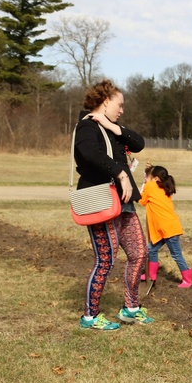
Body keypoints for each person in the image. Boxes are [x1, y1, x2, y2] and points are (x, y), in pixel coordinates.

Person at [73, 79, 152, 331]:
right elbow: (90, 154)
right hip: (100, 201)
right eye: (119, 105)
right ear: (106, 101)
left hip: (124, 204)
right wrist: (120, 173)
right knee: (105, 260)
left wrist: (113, 127)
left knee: (139, 253)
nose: (122, 110)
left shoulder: (110, 127)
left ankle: (130, 309)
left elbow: (138, 143)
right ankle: (90, 316)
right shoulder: (86, 128)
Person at [139, 164, 192, 288]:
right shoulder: (163, 187)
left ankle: (188, 280)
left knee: (176, 254)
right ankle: (151, 275)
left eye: (148, 176)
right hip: (165, 227)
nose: (146, 178)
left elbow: (142, 201)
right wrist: (149, 172)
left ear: (156, 178)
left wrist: (144, 182)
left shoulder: (150, 186)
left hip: (168, 228)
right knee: (151, 249)